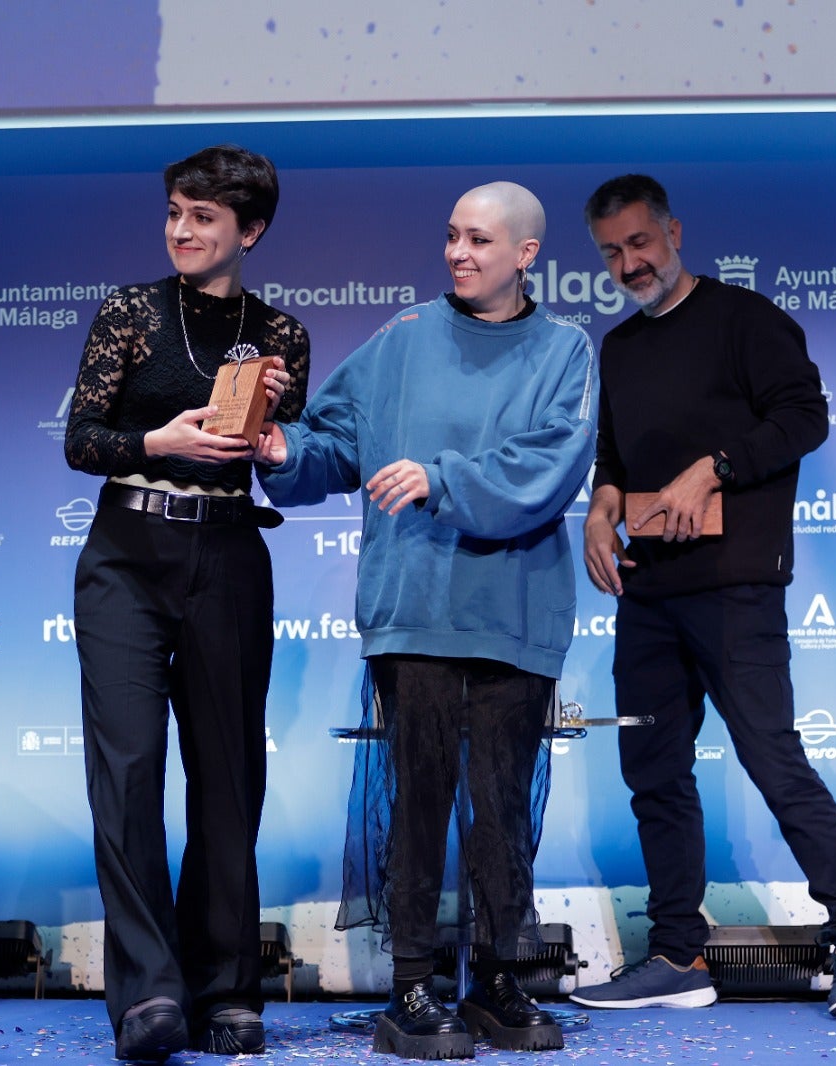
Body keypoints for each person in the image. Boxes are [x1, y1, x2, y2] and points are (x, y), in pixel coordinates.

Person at [257, 182, 596, 1059]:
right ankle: (410, 985)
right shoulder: (401, 340)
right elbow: (334, 442)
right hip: (415, 607)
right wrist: (281, 449)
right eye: (450, 236)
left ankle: (498, 977)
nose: (457, 253)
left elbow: (550, 465)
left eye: (479, 240)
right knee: (417, 803)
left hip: (515, 609)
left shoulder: (565, 350)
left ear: (527, 254)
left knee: (501, 806)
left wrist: (440, 478)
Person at [570, 174, 836, 1018]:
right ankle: (679, 952)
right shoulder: (619, 347)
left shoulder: (746, 320)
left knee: (770, 757)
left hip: (736, 585)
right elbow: (613, 458)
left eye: (640, 243)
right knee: (653, 772)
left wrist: (712, 466)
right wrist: (601, 512)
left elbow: (804, 417)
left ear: (674, 232)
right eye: (611, 252)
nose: (629, 263)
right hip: (647, 589)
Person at [64, 144, 310, 1061]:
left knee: (227, 775)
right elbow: (82, 440)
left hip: (231, 552)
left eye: (203, 217)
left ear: (249, 230)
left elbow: (278, 455)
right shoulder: (129, 311)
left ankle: (227, 990)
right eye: (174, 211)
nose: (182, 230)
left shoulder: (280, 333)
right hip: (127, 553)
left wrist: (275, 432)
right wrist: (158, 441)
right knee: (127, 775)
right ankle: (148, 995)